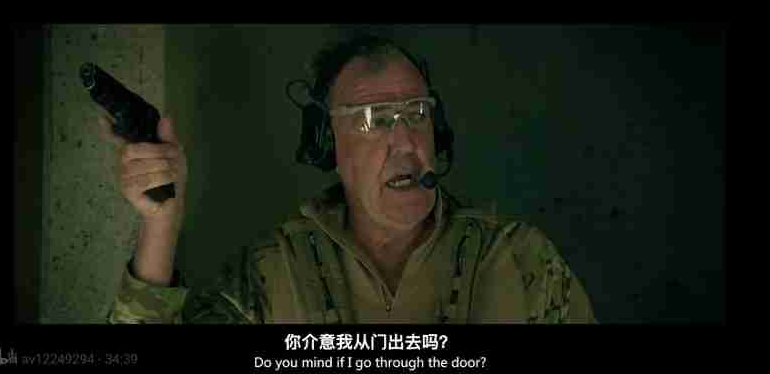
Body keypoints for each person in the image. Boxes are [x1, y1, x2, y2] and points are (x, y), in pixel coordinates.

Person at [102, 34, 597, 324]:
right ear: (328, 144)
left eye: (417, 114)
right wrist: (160, 225)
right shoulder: (270, 275)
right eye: (373, 119)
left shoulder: (521, 261)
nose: (405, 142)